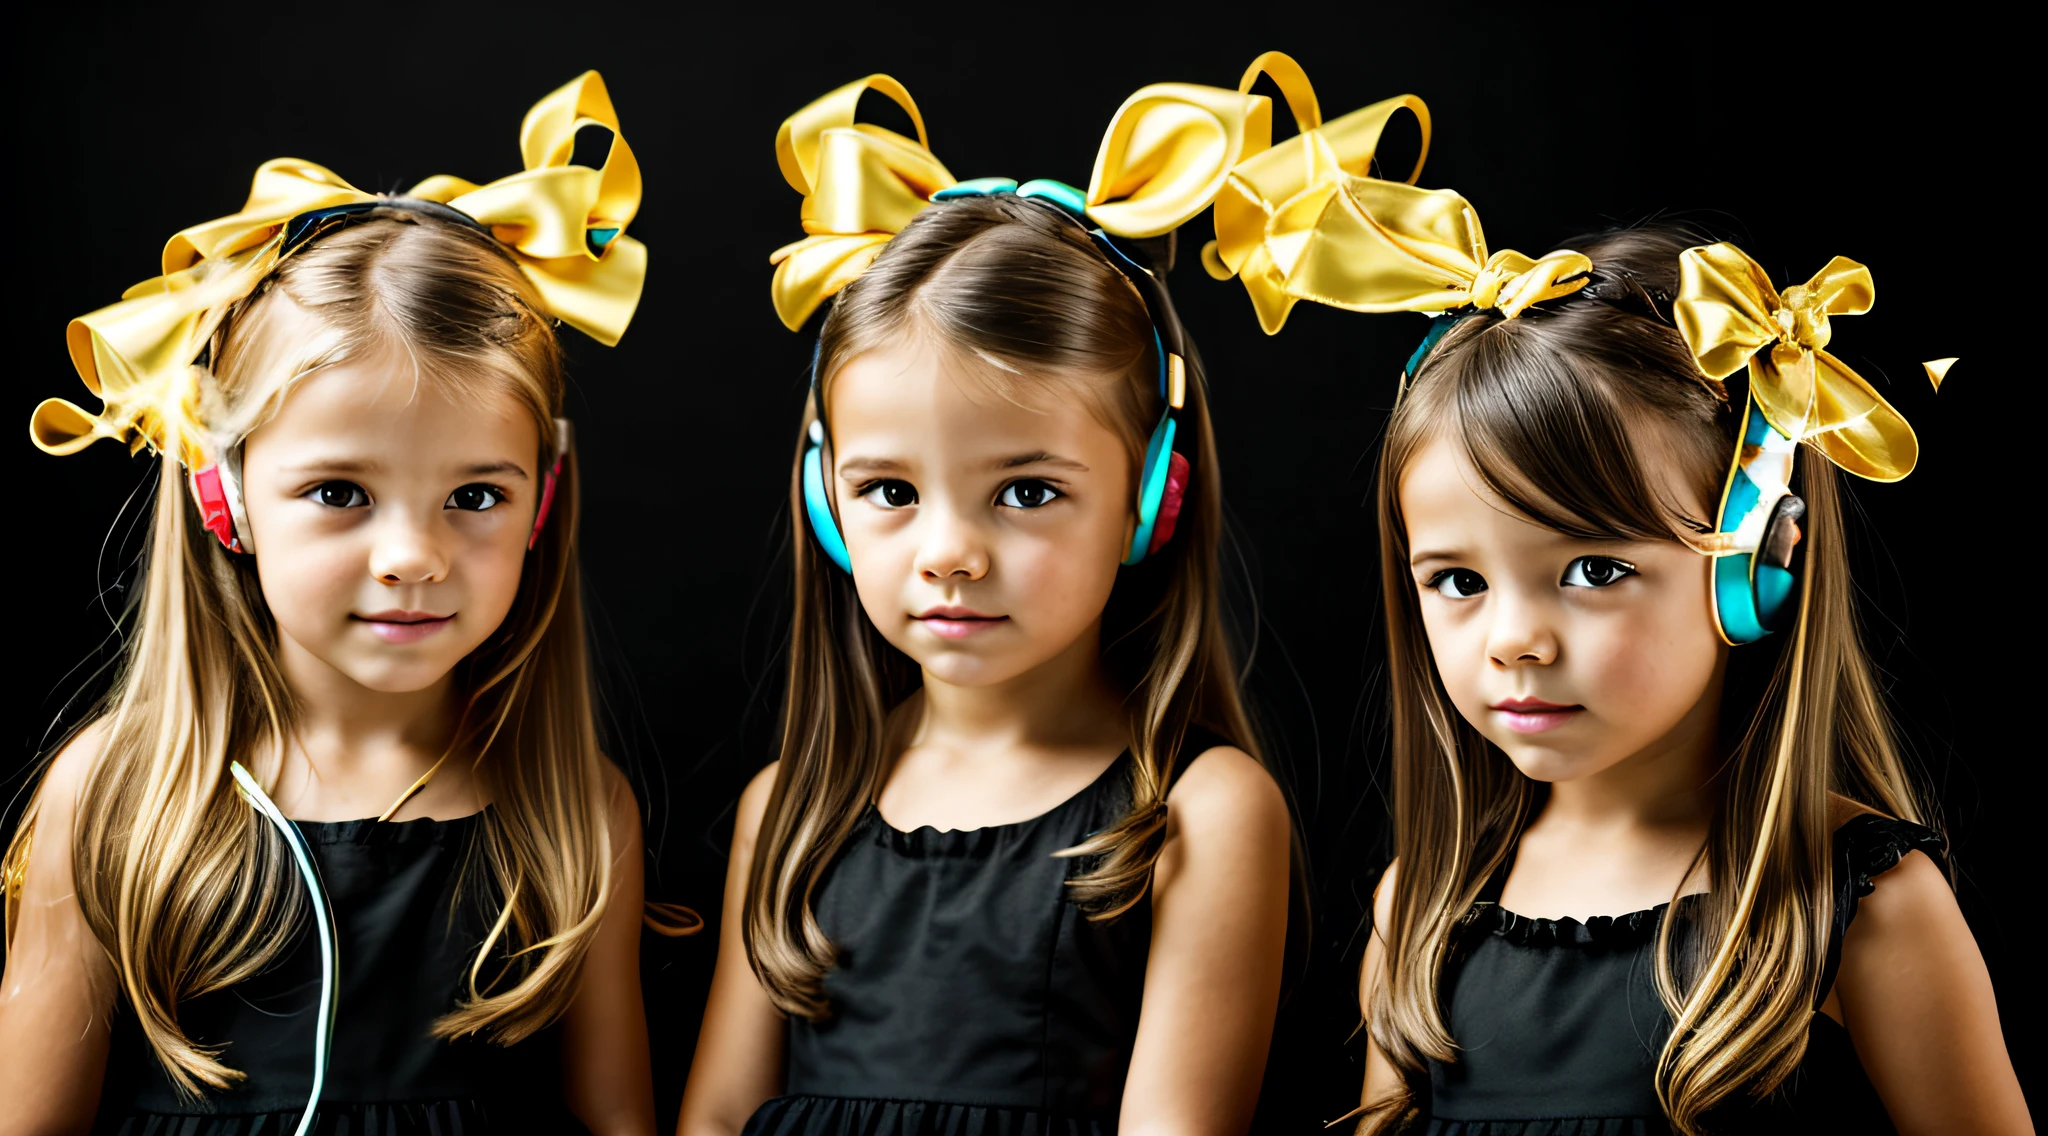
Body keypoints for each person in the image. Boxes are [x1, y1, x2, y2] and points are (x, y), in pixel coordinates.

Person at [1203, 62, 2028, 1130]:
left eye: (1592, 570)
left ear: (1755, 566)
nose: (1512, 640)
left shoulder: (1860, 905)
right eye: (1455, 579)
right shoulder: (1421, 905)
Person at [1, 72, 674, 1136]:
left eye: (473, 496)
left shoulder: (577, 808)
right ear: (222, 494)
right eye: (338, 493)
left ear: (542, 499)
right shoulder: (113, 794)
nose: (413, 556)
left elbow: (617, 1118)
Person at [678, 73, 1303, 1135]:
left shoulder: (1201, 814)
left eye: (1025, 491)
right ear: (824, 504)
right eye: (888, 491)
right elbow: (715, 1118)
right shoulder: (785, 810)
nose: (949, 554)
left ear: (1149, 497)